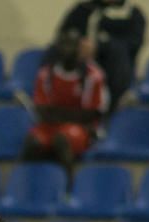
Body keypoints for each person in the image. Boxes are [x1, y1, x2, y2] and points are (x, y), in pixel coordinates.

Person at [22, 30, 108, 178]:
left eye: (72, 45)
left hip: (81, 129)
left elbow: (91, 114)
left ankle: (68, 188)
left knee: (61, 140)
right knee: (32, 142)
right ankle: (27, 187)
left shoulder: (93, 76)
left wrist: (57, 114)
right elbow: (42, 110)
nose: (67, 49)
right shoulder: (46, 74)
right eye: (63, 45)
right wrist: (69, 114)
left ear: (79, 48)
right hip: (49, 126)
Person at [58, 0, 146, 108]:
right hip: (80, 64)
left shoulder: (132, 13)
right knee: (55, 51)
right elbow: (63, 34)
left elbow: (133, 44)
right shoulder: (83, 9)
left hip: (113, 70)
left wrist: (100, 46)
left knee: (118, 53)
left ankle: (110, 108)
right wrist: (79, 46)